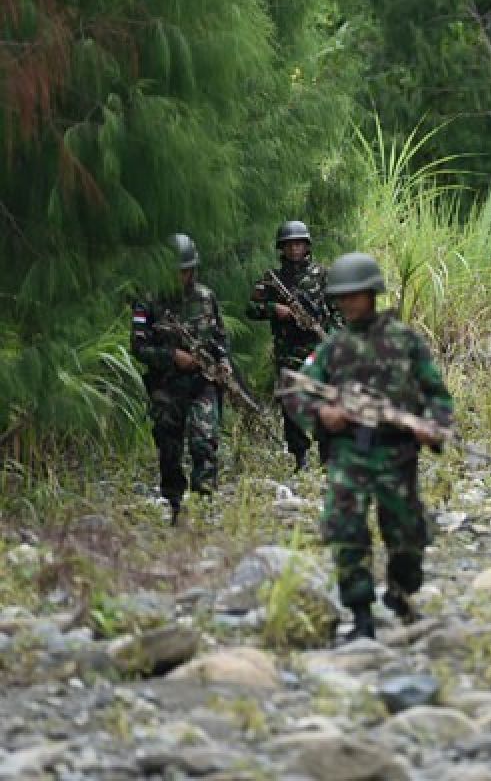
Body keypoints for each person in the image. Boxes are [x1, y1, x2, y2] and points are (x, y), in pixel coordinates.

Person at [282, 252, 453, 641]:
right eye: (341, 297)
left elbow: (437, 395)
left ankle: (400, 593)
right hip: (349, 452)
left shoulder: (405, 342)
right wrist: (322, 415)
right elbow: (295, 390)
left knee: (407, 532)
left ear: (372, 294)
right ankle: (360, 613)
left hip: (397, 453)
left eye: (354, 295)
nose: (347, 304)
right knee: (346, 530)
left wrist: (435, 426)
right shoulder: (332, 348)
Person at [131, 234, 230, 523]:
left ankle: (204, 502)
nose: (181, 277)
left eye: (185, 271)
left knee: (204, 440)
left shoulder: (206, 297)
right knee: (169, 447)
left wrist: (222, 362)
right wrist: (172, 356)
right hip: (166, 385)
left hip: (202, 383)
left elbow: (220, 337)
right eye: (175, 271)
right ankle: (174, 501)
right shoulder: (147, 301)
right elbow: (138, 347)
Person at [247, 220, 343, 470]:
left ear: (307, 246)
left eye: (298, 244)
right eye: (289, 245)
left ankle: (328, 456)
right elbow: (250, 308)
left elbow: (339, 312)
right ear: (282, 248)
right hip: (287, 351)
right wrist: (273, 309)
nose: (294, 250)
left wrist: (331, 336)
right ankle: (300, 457)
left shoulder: (323, 275)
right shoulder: (273, 280)